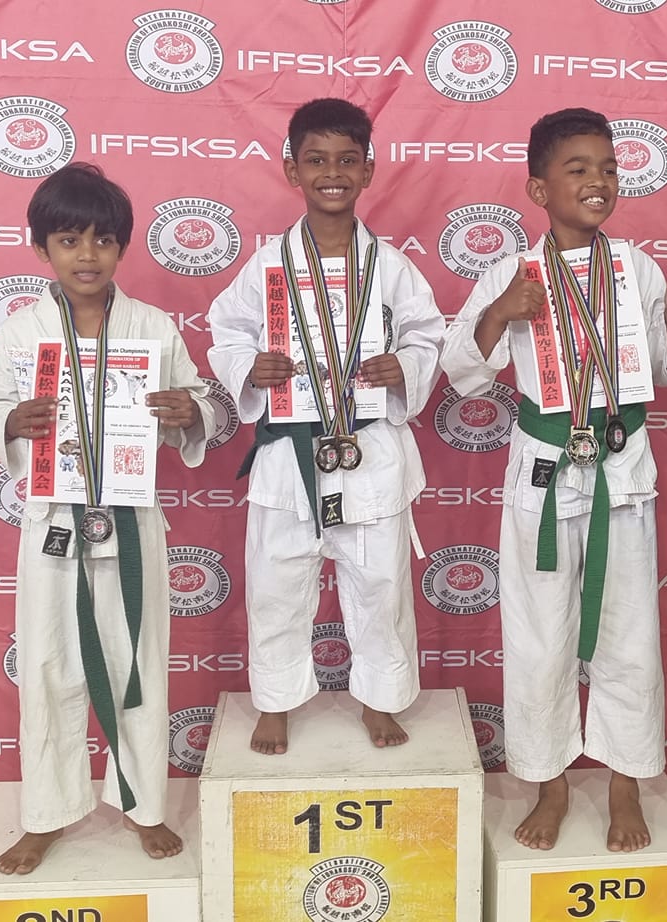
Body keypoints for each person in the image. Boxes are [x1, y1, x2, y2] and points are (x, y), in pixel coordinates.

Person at [443, 107, 667, 853]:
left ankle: (626, 784)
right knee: (539, 634)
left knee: (629, 631)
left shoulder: (635, 268)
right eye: (578, 169)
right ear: (539, 189)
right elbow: (462, 372)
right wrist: (500, 313)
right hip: (545, 468)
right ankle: (549, 782)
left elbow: (662, 369)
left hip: (620, 466)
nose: (599, 181)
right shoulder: (512, 272)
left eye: (609, 168)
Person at [0, 162, 214, 873]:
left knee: (139, 663)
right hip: (53, 523)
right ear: (41, 248)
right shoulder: (23, 331)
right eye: (69, 240)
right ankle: (47, 814)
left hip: (131, 521)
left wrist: (189, 410)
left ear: (122, 248)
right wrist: (10, 419)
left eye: (103, 240)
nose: (87, 255)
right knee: (48, 665)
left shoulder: (153, 326)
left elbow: (203, 402)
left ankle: (144, 805)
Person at [207, 98, 444, 754]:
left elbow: (428, 333)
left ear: (368, 170)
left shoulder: (390, 267)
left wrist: (406, 365)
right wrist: (251, 367)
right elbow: (226, 330)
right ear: (293, 170)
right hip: (289, 453)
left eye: (346, 160)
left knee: (381, 584)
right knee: (277, 584)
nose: (331, 173)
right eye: (316, 160)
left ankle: (379, 698)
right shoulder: (268, 265)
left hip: (369, 449)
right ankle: (277, 700)